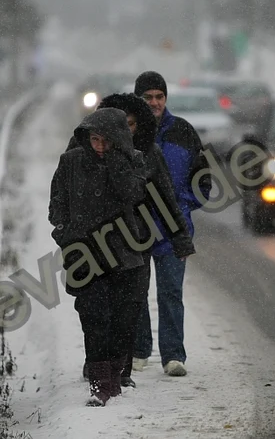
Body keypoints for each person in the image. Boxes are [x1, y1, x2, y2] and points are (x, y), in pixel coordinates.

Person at [65, 93, 196, 388]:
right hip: (89, 244)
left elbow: (164, 196)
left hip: (133, 242)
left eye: (131, 124)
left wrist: (180, 240)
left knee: (128, 308)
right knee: (93, 308)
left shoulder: (146, 153)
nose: (125, 130)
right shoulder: (81, 149)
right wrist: (66, 233)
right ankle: (97, 363)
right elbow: (64, 190)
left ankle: (120, 369)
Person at [48, 108, 146, 406]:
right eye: (94, 140)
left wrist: (117, 162)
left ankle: (115, 377)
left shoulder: (134, 161)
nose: (99, 146)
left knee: (122, 319)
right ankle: (100, 385)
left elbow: (133, 194)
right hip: (85, 255)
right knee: (93, 317)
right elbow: (57, 205)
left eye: (106, 140)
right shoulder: (71, 162)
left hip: (124, 254)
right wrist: (65, 235)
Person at [131, 71, 212, 377]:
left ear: (166, 98)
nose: (154, 103)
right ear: (138, 99)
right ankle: (139, 352)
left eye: (159, 96)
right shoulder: (128, 132)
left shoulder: (183, 131)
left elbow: (203, 179)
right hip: (135, 230)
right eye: (148, 97)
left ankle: (173, 356)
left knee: (170, 293)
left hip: (173, 230)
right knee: (136, 294)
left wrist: (183, 205)